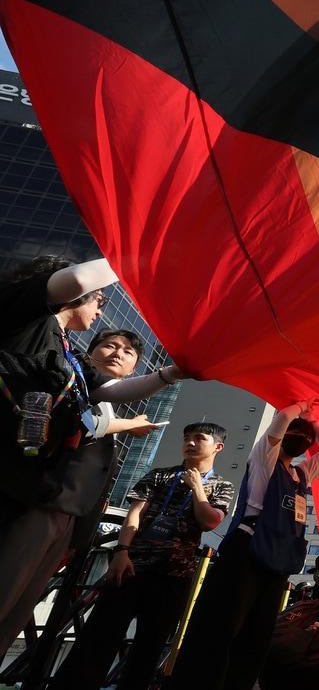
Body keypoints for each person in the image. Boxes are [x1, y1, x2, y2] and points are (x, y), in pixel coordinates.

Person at [0, 258, 184, 652]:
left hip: (42, 490)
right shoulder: (28, 319)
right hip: (13, 488)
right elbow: (80, 277)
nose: (100, 309)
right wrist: (134, 251)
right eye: (98, 300)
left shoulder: (70, 353)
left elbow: (111, 391)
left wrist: (171, 374)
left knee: (12, 613)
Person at [20, 423, 236, 690]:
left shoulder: (222, 486)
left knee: (146, 654)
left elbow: (209, 521)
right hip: (133, 567)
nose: (190, 443)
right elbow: (134, 513)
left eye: (199, 439)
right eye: (187, 437)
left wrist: (197, 489)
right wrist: (122, 551)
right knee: (95, 643)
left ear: (217, 447)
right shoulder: (160, 475)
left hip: (174, 575)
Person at [153, 399, 319, 690]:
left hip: (276, 564)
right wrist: (299, 407)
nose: (300, 438)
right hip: (245, 553)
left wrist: (313, 420)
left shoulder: (302, 474)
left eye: (305, 437)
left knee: (253, 642)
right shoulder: (265, 460)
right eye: (294, 433)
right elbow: (280, 423)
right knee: (218, 633)